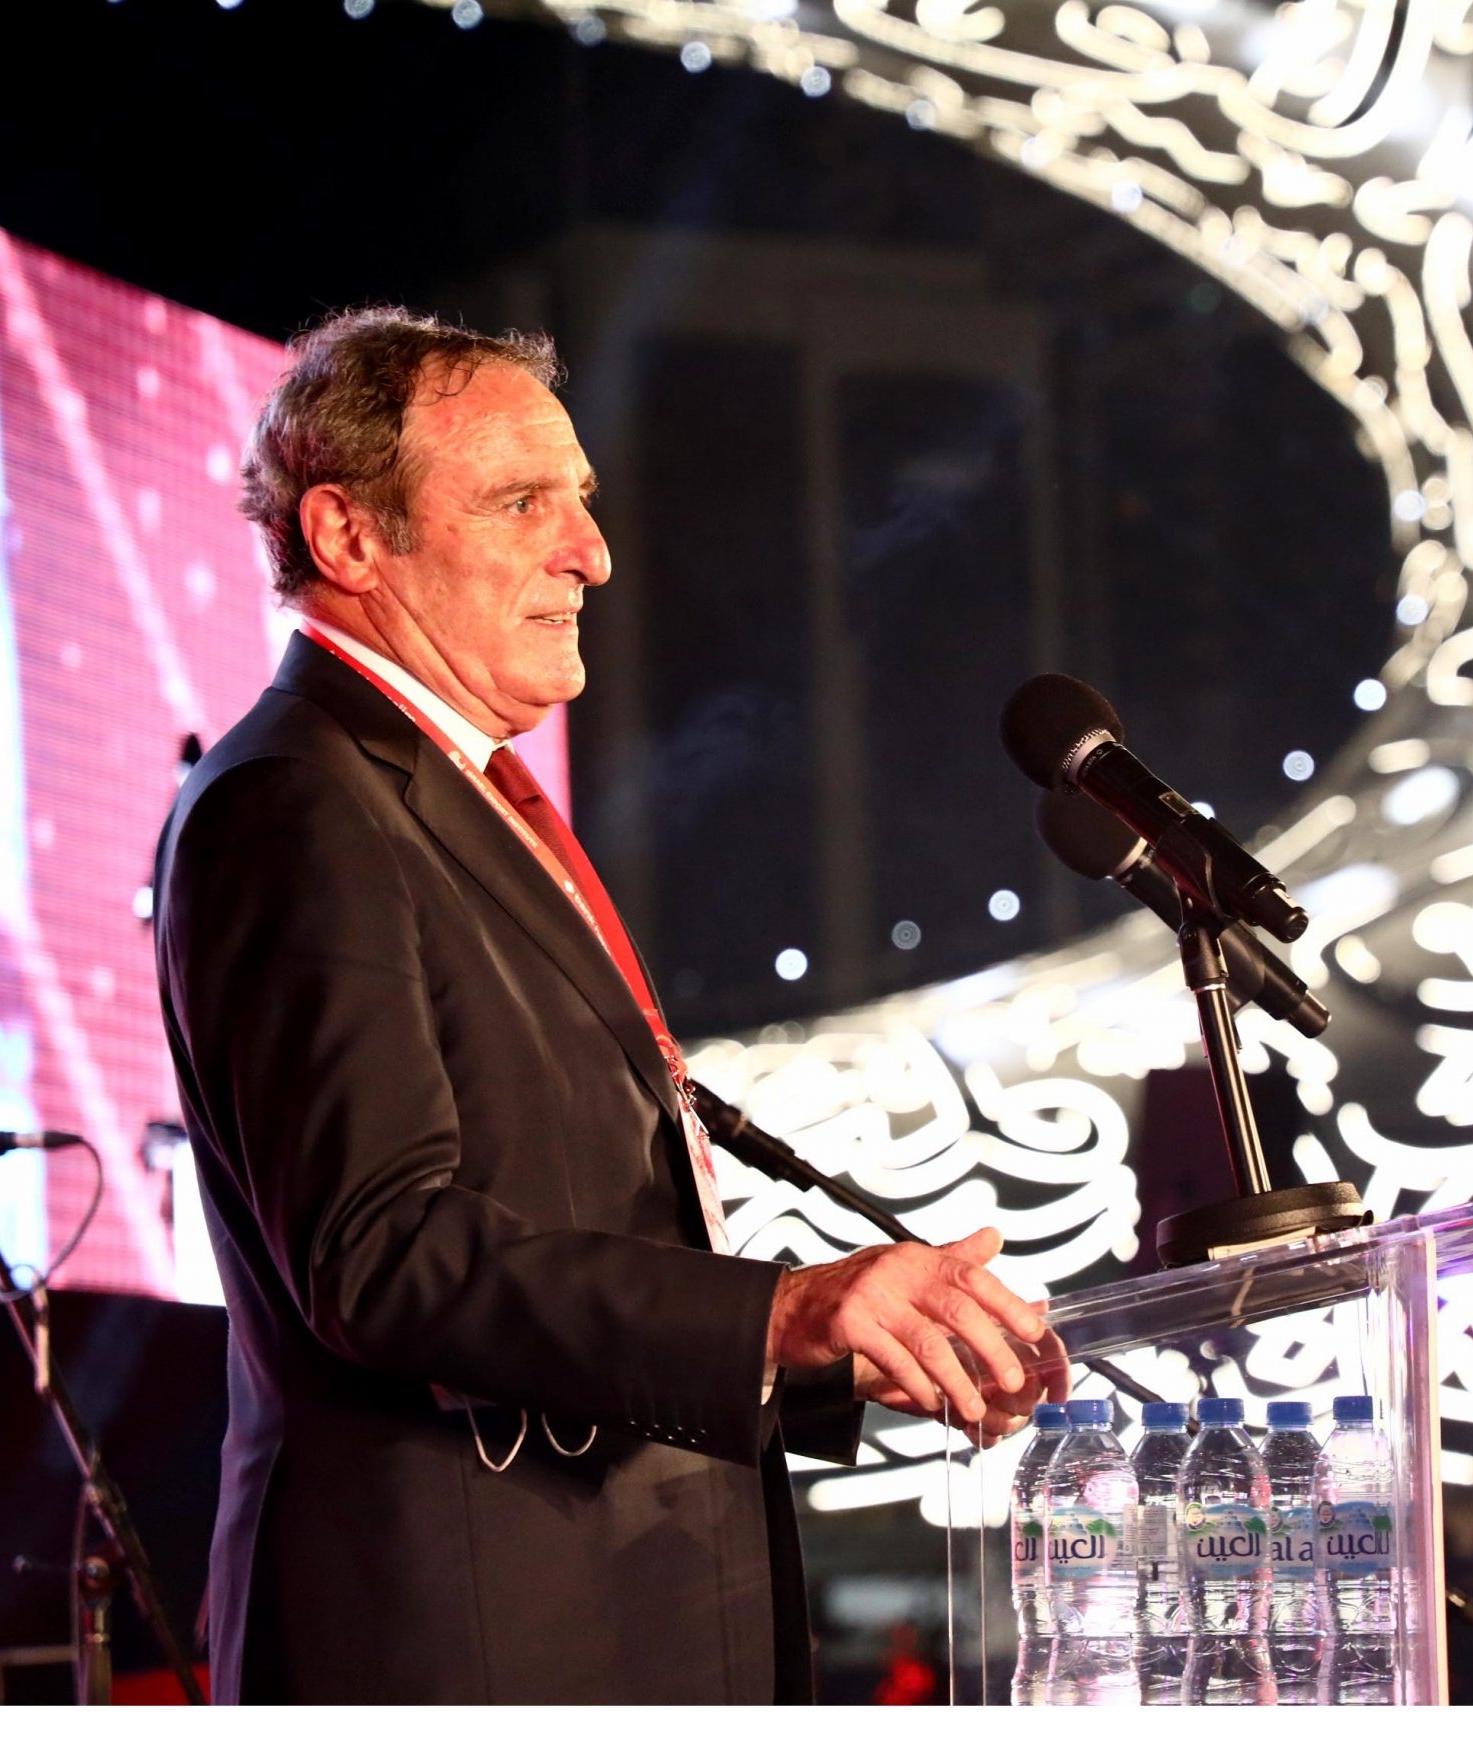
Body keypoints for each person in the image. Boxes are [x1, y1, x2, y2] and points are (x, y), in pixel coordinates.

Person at [155, 307, 1055, 1703]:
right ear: (348, 537)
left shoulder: (453, 799)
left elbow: (573, 1230)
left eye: (578, 498)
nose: (592, 551)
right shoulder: (293, 804)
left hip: (609, 1621)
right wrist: (779, 1317)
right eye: (522, 502)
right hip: (468, 1651)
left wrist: (842, 1352)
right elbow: (382, 1254)